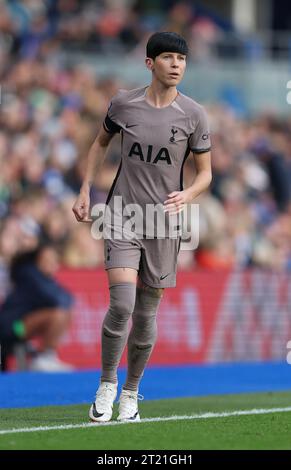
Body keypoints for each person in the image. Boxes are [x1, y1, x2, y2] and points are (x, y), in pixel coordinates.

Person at [72, 31, 212, 422]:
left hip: (164, 223)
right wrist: (85, 188)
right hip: (122, 216)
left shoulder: (194, 114)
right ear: (150, 63)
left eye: (181, 59)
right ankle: (106, 384)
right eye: (168, 58)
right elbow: (99, 143)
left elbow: (205, 174)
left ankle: (132, 391)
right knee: (121, 304)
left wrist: (189, 196)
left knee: (146, 316)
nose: (176, 65)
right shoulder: (123, 104)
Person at [0, 242, 74, 372]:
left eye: (54, 259)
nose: (52, 263)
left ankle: (47, 356)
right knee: (58, 315)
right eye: (47, 259)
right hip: (14, 328)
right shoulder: (30, 275)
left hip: (21, 325)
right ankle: (44, 357)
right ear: (38, 260)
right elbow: (59, 299)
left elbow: (67, 299)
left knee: (64, 313)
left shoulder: (43, 278)